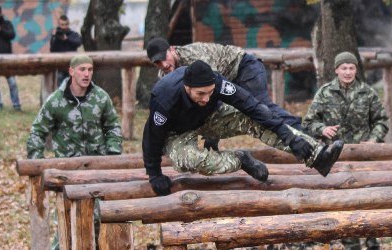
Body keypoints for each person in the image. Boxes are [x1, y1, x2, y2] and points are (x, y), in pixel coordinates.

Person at [143, 60, 343, 197]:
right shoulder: (164, 98)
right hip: (178, 133)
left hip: (210, 117)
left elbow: (253, 107)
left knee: (253, 119)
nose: (206, 98)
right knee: (186, 160)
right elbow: (152, 137)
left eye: (210, 93)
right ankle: (240, 159)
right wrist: (154, 174)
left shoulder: (218, 83)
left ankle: (317, 156)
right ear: (187, 87)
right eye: (200, 94)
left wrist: (289, 136)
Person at [303, 52, 389, 250]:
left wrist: (373, 141)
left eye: (351, 68)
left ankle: (373, 246)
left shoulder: (367, 93)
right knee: (344, 202)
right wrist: (322, 129)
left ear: (356, 70)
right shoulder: (324, 93)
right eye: (344, 68)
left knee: (368, 200)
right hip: (336, 159)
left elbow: (382, 121)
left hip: (362, 158)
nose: (348, 72)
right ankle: (350, 246)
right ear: (336, 70)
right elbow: (307, 123)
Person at [146, 38, 302, 130]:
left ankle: (304, 132)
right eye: (158, 63)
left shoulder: (195, 56)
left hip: (244, 67)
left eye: (164, 58)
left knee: (261, 107)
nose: (163, 64)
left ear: (172, 49)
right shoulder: (165, 76)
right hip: (228, 78)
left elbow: (214, 88)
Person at [26, 54, 123, 159]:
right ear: (71, 71)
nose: (87, 74)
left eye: (90, 70)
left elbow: (113, 126)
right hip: (67, 166)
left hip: (98, 163)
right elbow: (37, 131)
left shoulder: (101, 97)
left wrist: (113, 153)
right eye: (82, 69)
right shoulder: (55, 101)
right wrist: (37, 161)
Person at [49, 15, 83, 85]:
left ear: (68, 24)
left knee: (72, 86)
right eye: (62, 24)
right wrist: (54, 37)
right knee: (60, 87)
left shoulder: (73, 34)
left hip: (71, 65)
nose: (64, 27)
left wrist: (67, 39)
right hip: (60, 66)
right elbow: (52, 50)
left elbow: (78, 43)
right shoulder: (56, 35)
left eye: (66, 24)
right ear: (59, 24)